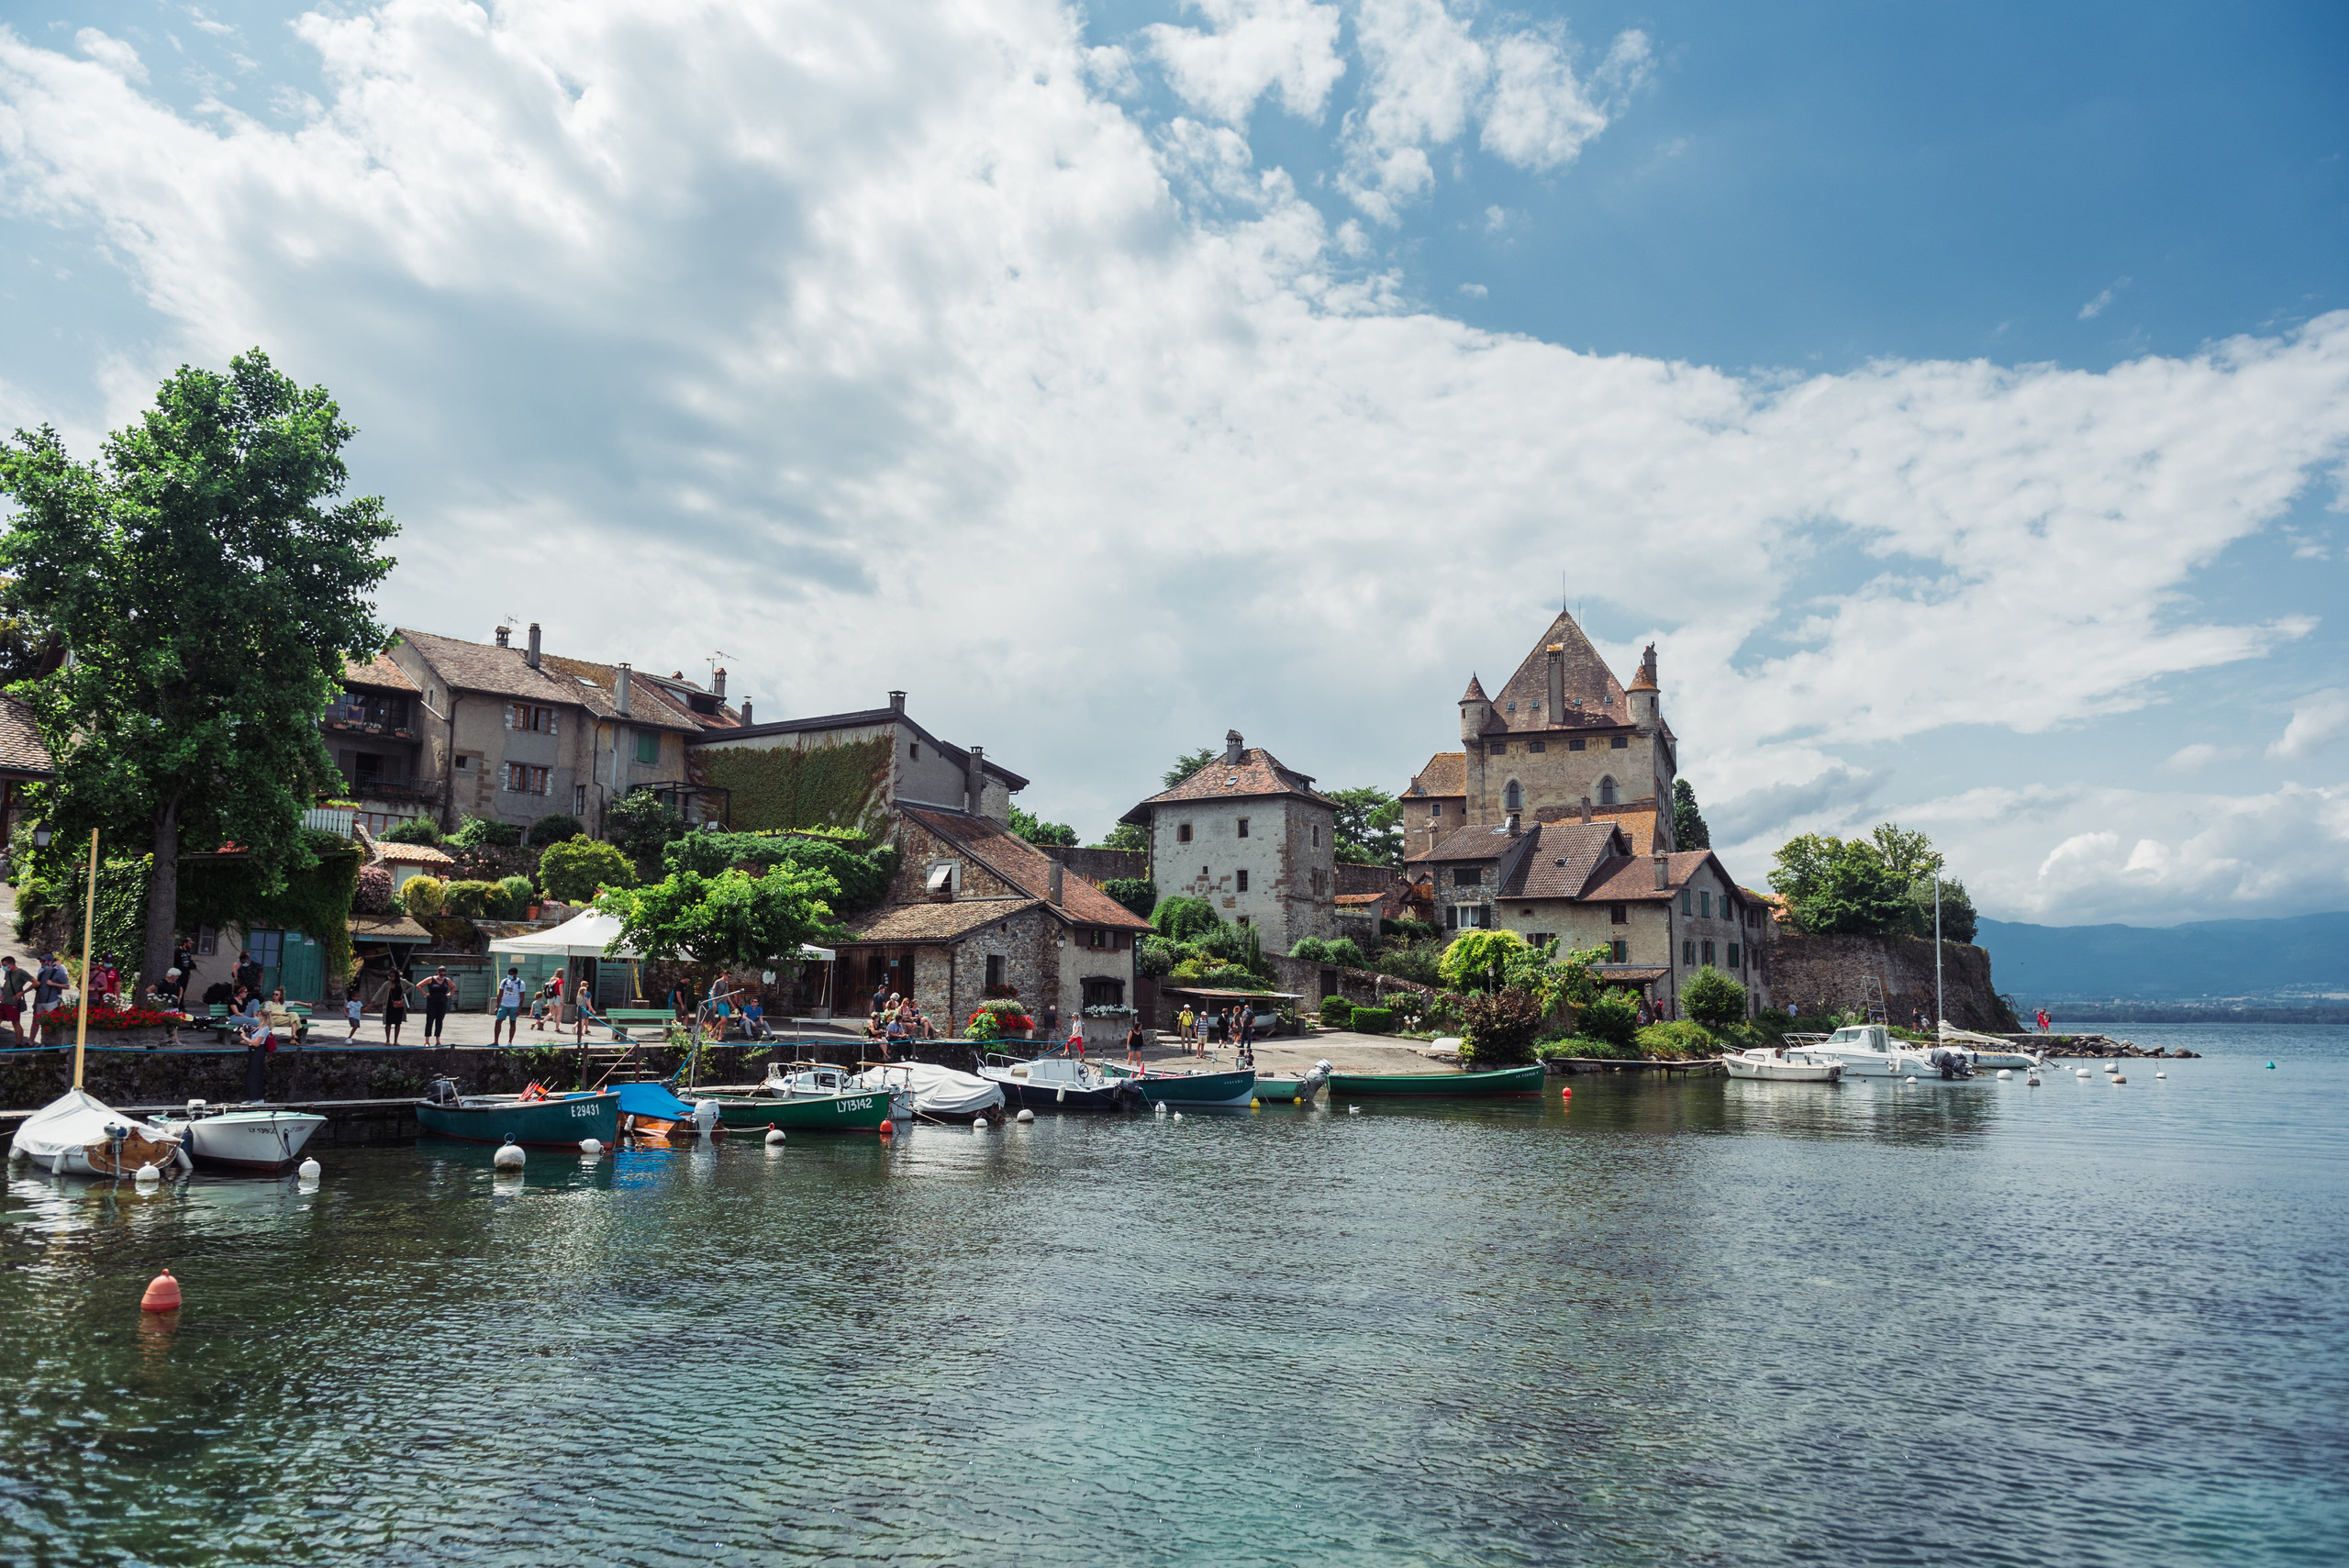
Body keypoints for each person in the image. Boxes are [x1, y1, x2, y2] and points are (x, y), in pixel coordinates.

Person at [32, 952, 67, 1045]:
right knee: (41, 1023)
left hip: (51, 1001)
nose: (41, 963)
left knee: (51, 1023)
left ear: (50, 962)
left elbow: (67, 986)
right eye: (40, 961)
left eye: (43, 961)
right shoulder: (41, 973)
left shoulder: (57, 972)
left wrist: (53, 984)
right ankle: (43, 1042)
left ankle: (52, 1043)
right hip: (40, 1001)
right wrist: (35, 1002)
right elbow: (39, 989)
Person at [420, 966, 456, 1046]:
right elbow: (419, 985)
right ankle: (427, 1041)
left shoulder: (447, 980)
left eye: (444, 975)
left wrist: (450, 994)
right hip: (432, 1002)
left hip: (442, 1002)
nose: (442, 976)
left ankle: (438, 1040)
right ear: (437, 972)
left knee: (439, 1021)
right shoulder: (431, 979)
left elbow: (453, 987)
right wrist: (425, 994)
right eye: (441, 974)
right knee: (430, 1021)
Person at [494, 965, 527, 1045]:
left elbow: (522, 997)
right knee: (498, 1021)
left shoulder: (521, 983)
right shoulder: (504, 981)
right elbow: (500, 994)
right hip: (504, 1004)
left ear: (515, 974)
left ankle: (510, 1041)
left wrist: (519, 1008)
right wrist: (497, 1006)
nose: (509, 976)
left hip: (514, 1005)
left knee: (512, 1022)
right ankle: (496, 1041)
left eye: (511, 974)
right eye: (508, 974)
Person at [0, 956, 28, 1046]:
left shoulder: (21, 972)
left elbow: (35, 982)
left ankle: (18, 1043)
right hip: (4, 1001)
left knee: (15, 1022)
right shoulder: (8, 973)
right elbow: (6, 983)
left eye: (5, 965)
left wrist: (22, 992)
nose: (4, 967)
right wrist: (2, 995)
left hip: (13, 1002)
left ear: (11, 964)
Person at [381, 973, 411, 1045]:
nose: (391, 978)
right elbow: (380, 992)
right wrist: (372, 1002)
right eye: (390, 976)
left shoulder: (403, 982)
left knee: (398, 1023)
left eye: (393, 977)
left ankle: (395, 1041)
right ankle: (387, 1040)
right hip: (389, 1005)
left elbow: (412, 986)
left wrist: (405, 993)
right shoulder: (387, 984)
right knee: (388, 1023)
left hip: (399, 1005)